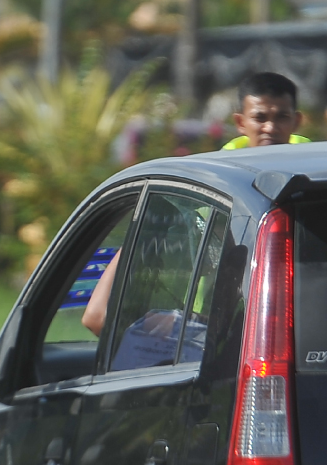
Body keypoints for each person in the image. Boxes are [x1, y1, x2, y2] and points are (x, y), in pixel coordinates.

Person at [81, 72, 312, 336]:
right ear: (240, 121)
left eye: (281, 116)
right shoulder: (211, 185)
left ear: (296, 120)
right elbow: (99, 315)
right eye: (260, 117)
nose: (270, 127)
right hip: (226, 328)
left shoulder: (315, 181)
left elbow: (98, 316)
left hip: (276, 326)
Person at [220, 71, 313, 150]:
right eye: (259, 118)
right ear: (240, 123)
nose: (270, 128)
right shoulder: (220, 168)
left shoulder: (316, 164)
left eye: (282, 118)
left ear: (296, 122)